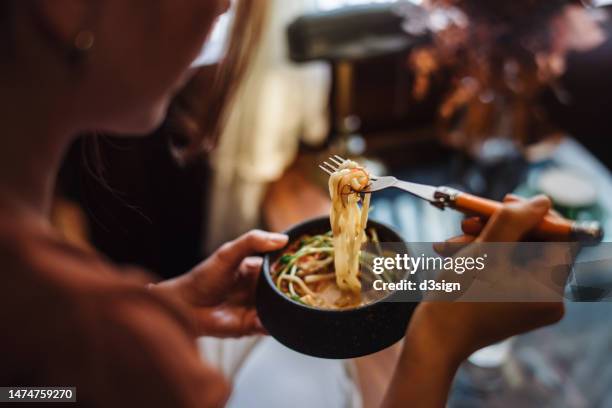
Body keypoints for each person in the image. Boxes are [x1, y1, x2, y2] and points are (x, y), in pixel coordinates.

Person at [0, 1, 567, 407]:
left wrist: (163, 309)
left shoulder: (59, 315)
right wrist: (439, 342)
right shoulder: (88, 338)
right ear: (67, 8)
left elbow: (28, 393)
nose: (223, 8)